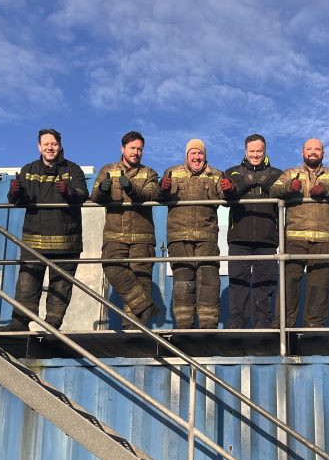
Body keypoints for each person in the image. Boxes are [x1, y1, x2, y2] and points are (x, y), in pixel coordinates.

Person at [0, 128, 87, 331]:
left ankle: (52, 325)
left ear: (60, 146)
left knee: (61, 284)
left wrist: (68, 192)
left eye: (53, 144)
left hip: (66, 241)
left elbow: (82, 195)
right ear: (39, 147)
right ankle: (20, 322)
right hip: (34, 239)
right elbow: (18, 201)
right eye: (46, 144)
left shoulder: (73, 170)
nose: (50, 148)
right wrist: (15, 193)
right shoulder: (28, 170)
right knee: (27, 282)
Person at [270, 138, 329, 328]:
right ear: (302, 152)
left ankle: (313, 328)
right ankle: (283, 326)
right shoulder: (290, 173)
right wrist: (289, 188)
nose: (313, 152)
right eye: (309, 149)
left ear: (323, 153)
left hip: (324, 239)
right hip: (294, 239)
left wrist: (327, 189)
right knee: (289, 284)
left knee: (319, 286)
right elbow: (273, 190)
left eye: (317, 149)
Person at [91, 131, 161, 326]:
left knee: (141, 279)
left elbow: (152, 194)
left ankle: (134, 331)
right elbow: (95, 196)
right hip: (115, 235)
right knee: (112, 266)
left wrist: (131, 188)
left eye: (139, 149)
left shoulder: (149, 173)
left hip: (142, 237)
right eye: (132, 148)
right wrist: (103, 191)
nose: (136, 152)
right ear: (123, 149)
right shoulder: (108, 170)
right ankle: (146, 307)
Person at [159, 139, 224, 329]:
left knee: (209, 282)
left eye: (200, 153)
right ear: (187, 155)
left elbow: (226, 197)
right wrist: (162, 190)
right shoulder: (171, 173)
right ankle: (184, 328)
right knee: (183, 283)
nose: (197, 157)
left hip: (207, 237)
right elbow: (159, 196)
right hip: (179, 238)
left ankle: (208, 329)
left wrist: (230, 190)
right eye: (193, 153)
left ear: (205, 155)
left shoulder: (216, 175)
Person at [222, 134, 282, 329]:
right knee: (238, 283)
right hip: (239, 238)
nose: (255, 155)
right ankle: (236, 323)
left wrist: (262, 181)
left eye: (259, 151)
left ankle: (263, 323)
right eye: (252, 151)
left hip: (267, 239)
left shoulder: (277, 174)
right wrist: (240, 185)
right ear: (245, 151)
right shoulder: (232, 173)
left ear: (265, 151)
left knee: (264, 283)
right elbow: (226, 196)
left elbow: (282, 192)